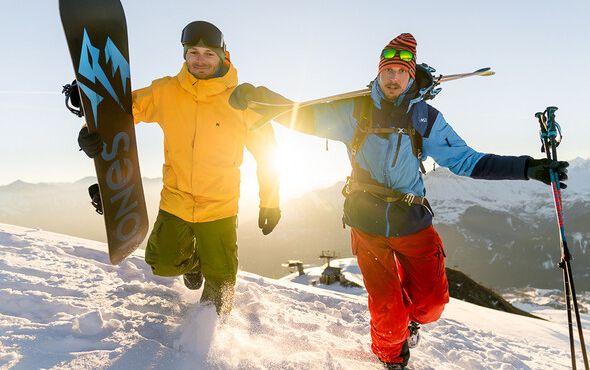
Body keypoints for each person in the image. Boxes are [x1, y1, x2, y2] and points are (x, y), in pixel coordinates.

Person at [228, 33, 568, 369]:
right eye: (388, 70)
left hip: (412, 222)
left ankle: (411, 321)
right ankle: (390, 357)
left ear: (411, 75)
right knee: (388, 312)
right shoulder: (355, 111)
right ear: (378, 73)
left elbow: (468, 161)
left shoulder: (425, 118)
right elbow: (301, 116)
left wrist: (528, 168)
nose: (393, 78)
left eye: (401, 72)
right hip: (367, 223)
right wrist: (261, 97)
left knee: (432, 306)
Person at [76, 20, 282, 316]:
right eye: (193, 53)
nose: (200, 61)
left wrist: (270, 202)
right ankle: (194, 262)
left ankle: (209, 341)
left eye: (208, 54)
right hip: (177, 199)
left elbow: (268, 153)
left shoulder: (241, 101)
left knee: (221, 283)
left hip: (220, 206)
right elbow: (123, 110)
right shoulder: (166, 91)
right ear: (184, 55)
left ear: (224, 56)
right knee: (161, 262)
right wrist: (89, 131)